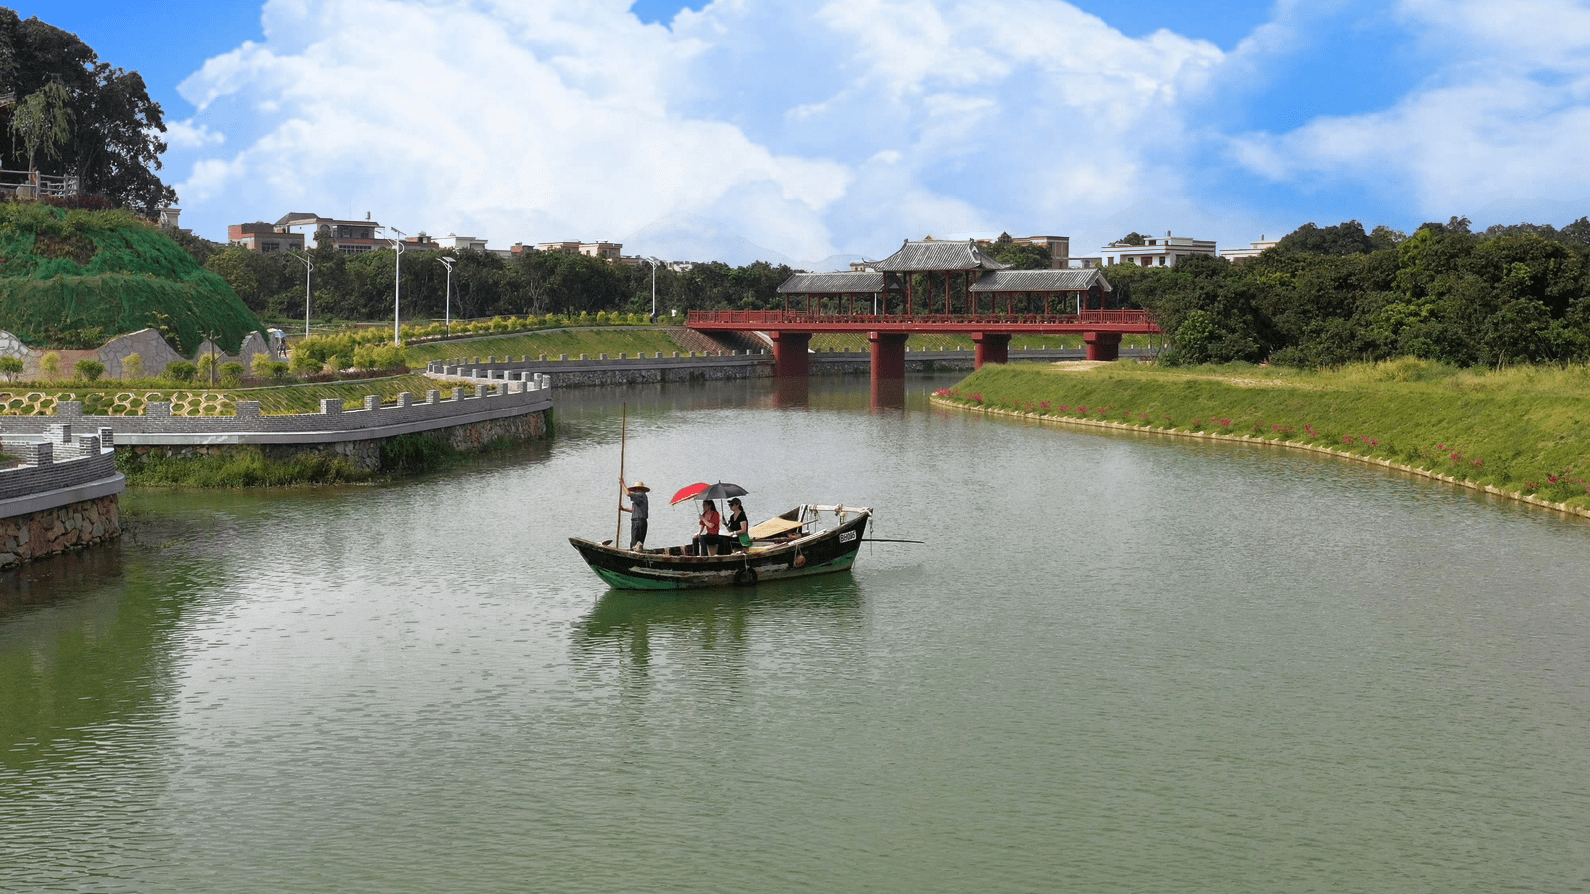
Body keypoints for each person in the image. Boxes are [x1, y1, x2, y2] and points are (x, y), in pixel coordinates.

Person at [619, 481, 649, 551]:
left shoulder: (641, 495)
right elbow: (633, 510)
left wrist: (623, 484)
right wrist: (623, 509)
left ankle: (635, 553)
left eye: (636, 489)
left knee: (635, 543)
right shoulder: (639, 498)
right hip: (637, 521)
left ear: (640, 489)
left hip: (639, 522)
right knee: (635, 543)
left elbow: (628, 493)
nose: (635, 491)